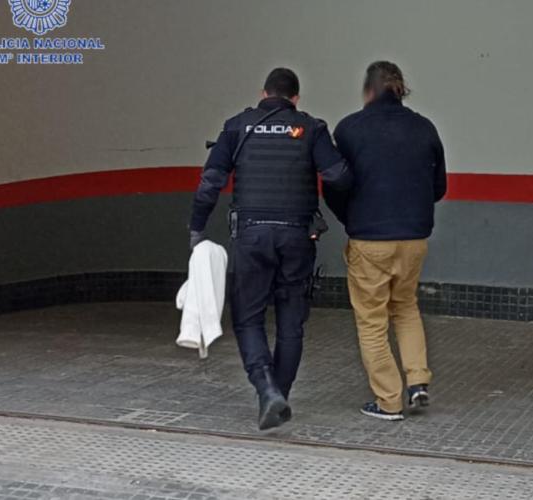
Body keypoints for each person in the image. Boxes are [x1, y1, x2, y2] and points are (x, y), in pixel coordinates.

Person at [189, 68, 352, 430]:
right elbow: (338, 176)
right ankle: (280, 394)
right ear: (296, 98)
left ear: (264, 93)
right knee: (291, 320)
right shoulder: (311, 128)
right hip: (297, 236)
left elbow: (210, 182)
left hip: (251, 236)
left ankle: (267, 389)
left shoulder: (237, 126)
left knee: (248, 317)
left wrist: (197, 229)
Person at [324, 61, 447, 421]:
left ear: (368, 91)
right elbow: (439, 187)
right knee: (406, 307)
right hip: (414, 238)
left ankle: (388, 401)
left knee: (372, 321)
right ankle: (418, 381)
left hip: (369, 239)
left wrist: (352, 219)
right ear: (400, 89)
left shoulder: (349, 129)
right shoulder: (424, 128)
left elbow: (334, 184)